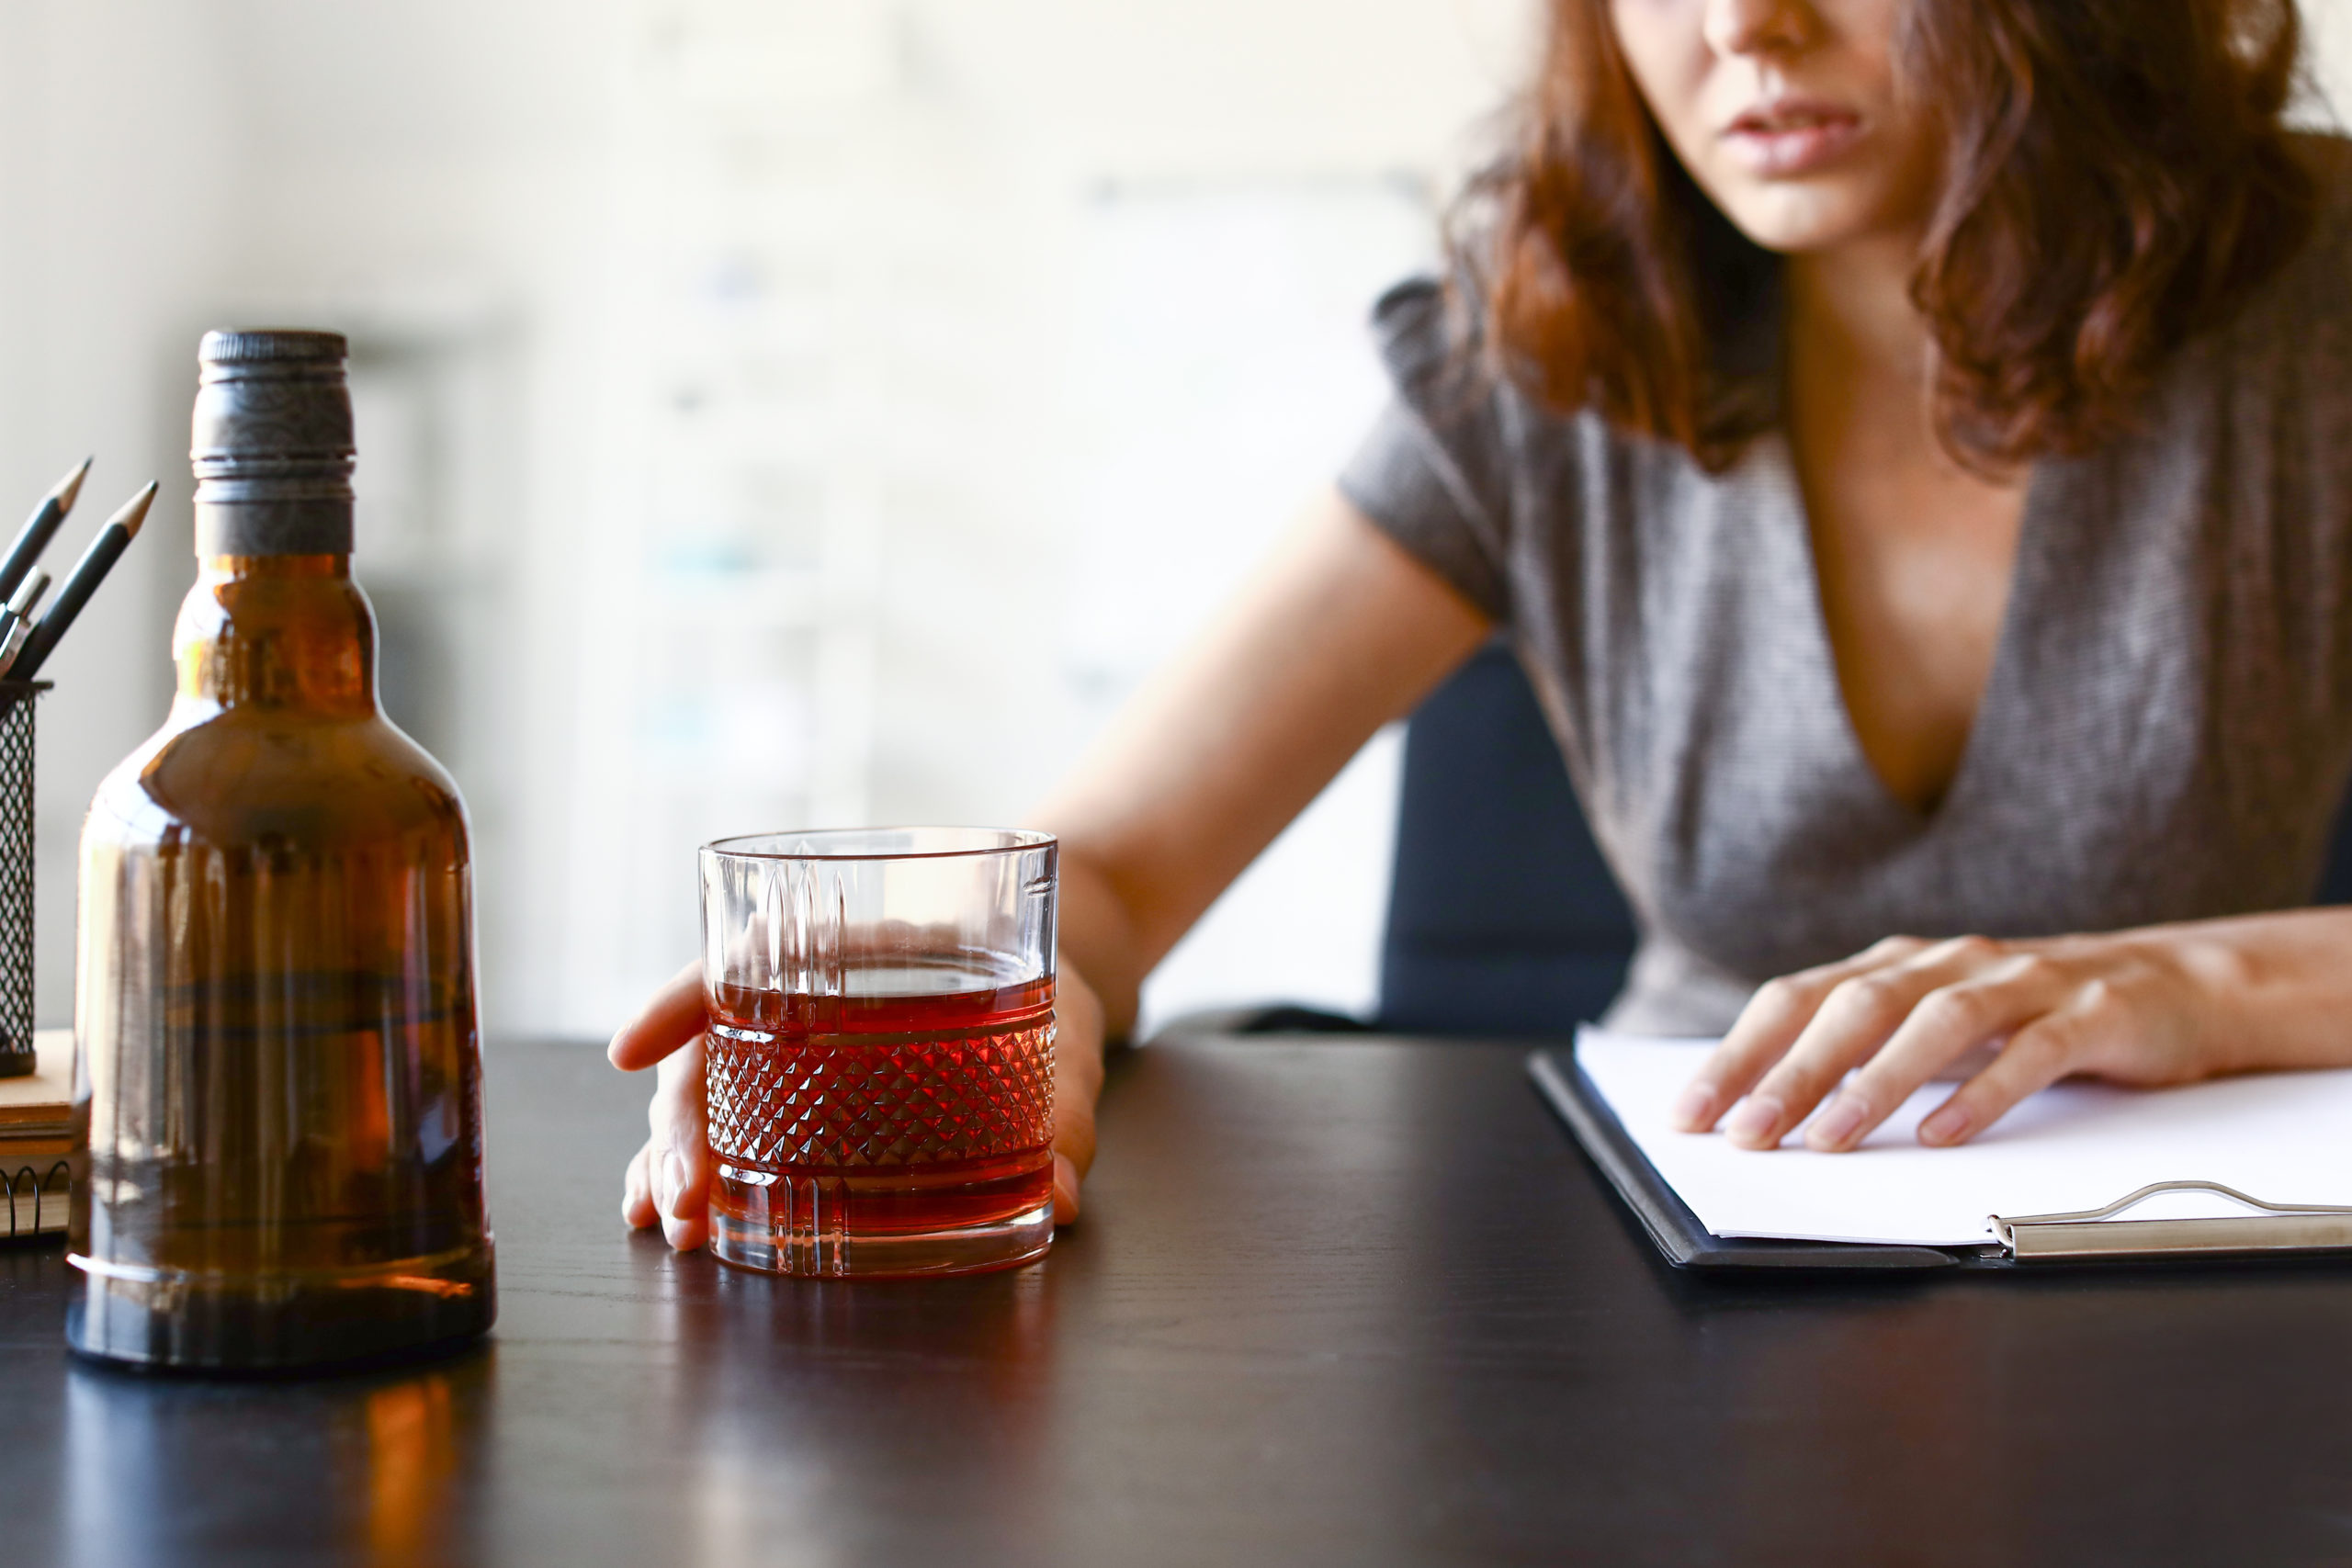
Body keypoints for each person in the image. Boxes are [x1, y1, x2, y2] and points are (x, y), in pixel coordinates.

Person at [616, 0, 2352, 1251]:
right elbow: (1121, 873)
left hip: (2208, 1265)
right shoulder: (1545, 358)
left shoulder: (2318, 301)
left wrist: (2186, 978)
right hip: (1704, 1263)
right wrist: (974, 995)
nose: (1749, 26)